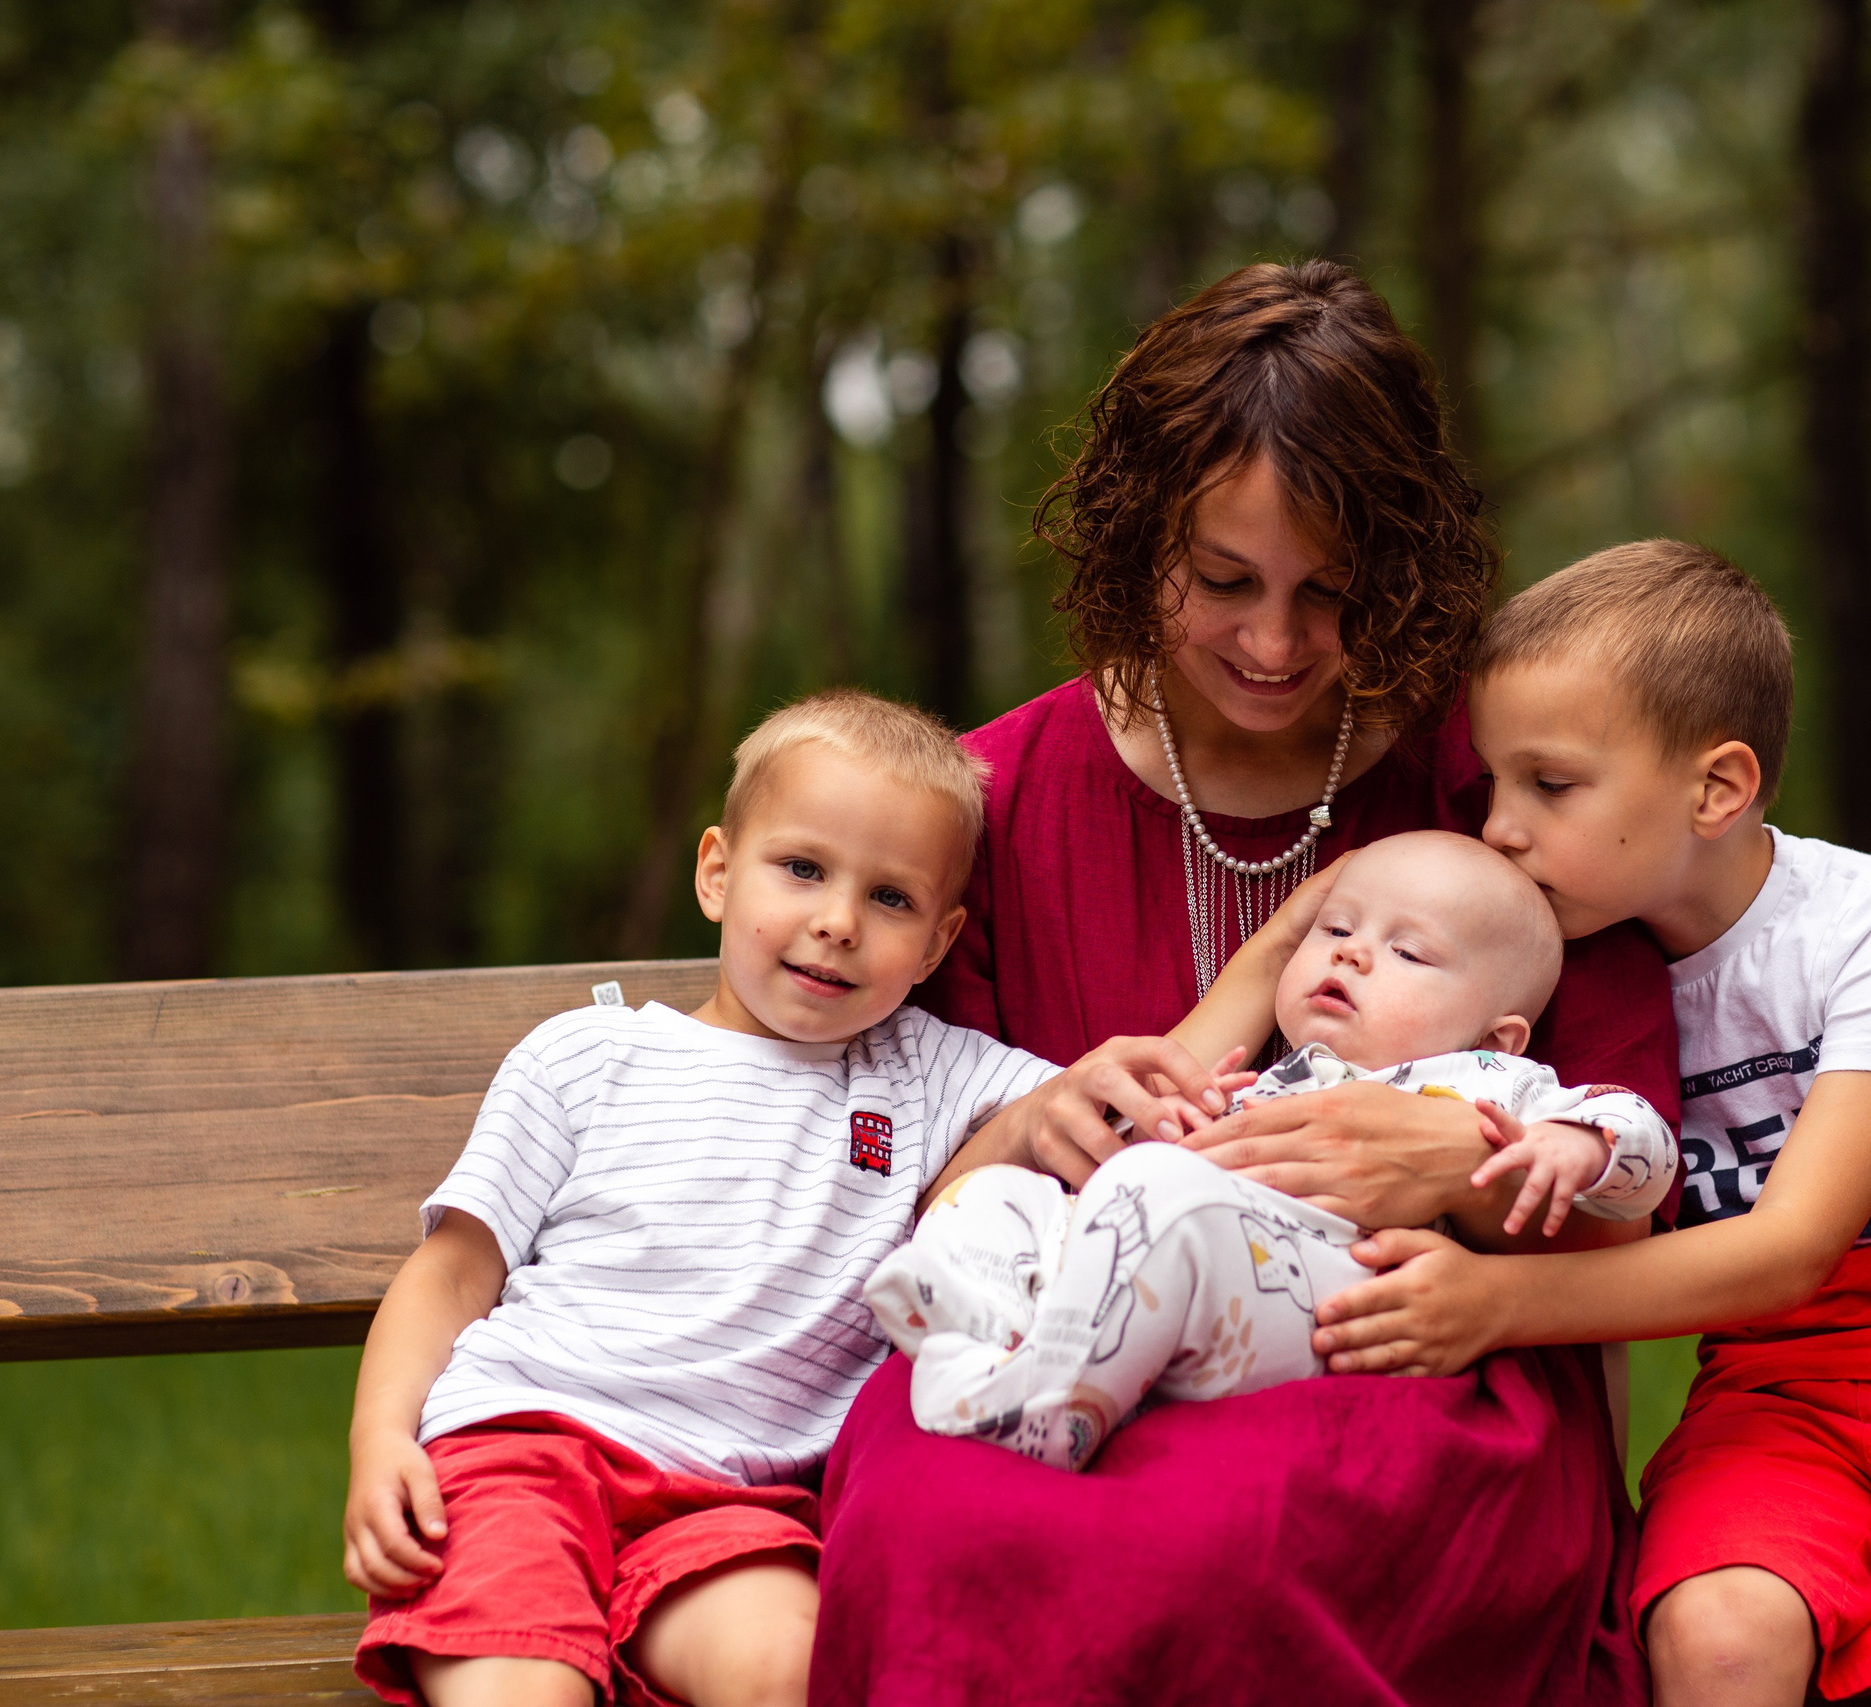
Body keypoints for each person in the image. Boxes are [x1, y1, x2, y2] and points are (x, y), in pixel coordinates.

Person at [808, 262, 1680, 1706]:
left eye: (1328, 595)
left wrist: (1453, 1159)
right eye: (1223, 582)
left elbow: (1635, 1165)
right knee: (926, 1507)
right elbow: (885, 1181)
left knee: (1224, 1539)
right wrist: (1032, 1126)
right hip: (1046, 1322)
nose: (1275, 645)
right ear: (1137, 536)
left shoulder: (1498, 790)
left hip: (1402, 1345)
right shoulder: (991, 799)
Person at [1310, 542, 1871, 1707]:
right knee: (1713, 1637)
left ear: (1716, 789)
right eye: (1493, 785)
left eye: (1549, 786)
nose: (1498, 828)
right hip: (1770, 1391)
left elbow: (1790, 1249)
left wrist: (1494, 1306)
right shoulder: (1562, 977)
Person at [342, 691, 1234, 1707]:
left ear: (939, 946)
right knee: (519, 1690)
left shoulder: (928, 1073)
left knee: (794, 1670)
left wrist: (1274, 960)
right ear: (717, 871)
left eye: (890, 900)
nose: (837, 922)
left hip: (734, 1502)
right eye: (802, 869)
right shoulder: (591, 1056)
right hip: (523, 1447)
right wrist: (381, 1441)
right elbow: (454, 1271)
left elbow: (1104, 1106)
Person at [864, 831, 1677, 1472]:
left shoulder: (1489, 1080)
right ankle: (992, 1316)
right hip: (1184, 1265)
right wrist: (1170, 1122)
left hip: (1321, 1289)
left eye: (1410, 952)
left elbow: (1644, 1152)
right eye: (1336, 929)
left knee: (1160, 1193)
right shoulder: (1264, 1074)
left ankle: (1058, 1405)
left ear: (1499, 1033)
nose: (1352, 952)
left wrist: (1582, 1142)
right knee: (1004, 1196)